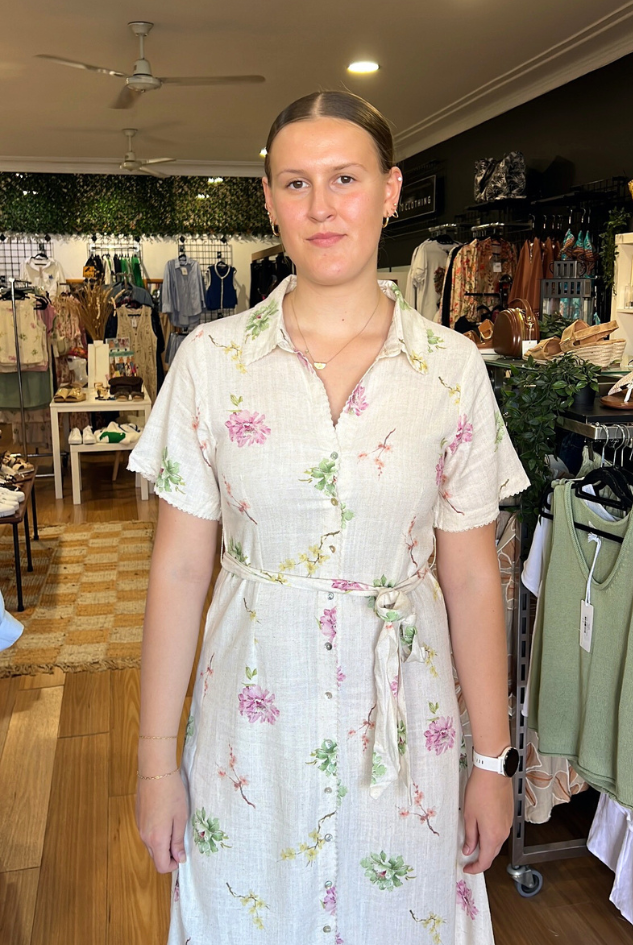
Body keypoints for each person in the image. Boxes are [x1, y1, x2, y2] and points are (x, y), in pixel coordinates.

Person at [129, 90, 530, 945]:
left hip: (406, 725)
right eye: (296, 183)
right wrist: (156, 762)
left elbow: (470, 576)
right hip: (251, 724)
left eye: (344, 178)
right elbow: (180, 570)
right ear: (269, 200)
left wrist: (493, 761)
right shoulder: (211, 362)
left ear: (389, 192)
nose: (321, 206)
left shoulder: (451, 368)